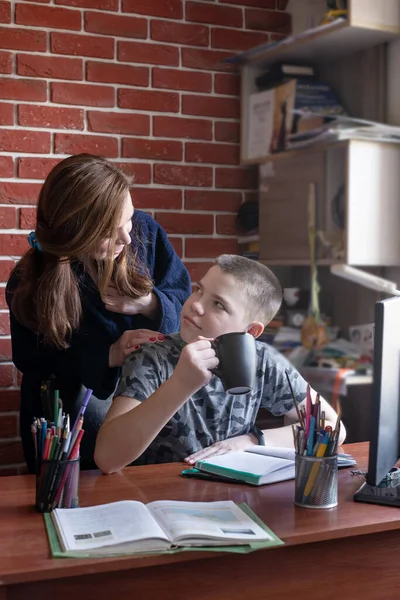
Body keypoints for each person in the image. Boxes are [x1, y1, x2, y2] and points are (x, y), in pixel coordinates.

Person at [6, 154, 191, 472]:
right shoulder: (29, 282)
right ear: (75, 232)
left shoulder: (144, 231)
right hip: (69, 420)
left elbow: (184, 298)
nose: (127, 238)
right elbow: (33, 361)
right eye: (109, 230)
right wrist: (107, 355)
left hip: (145, 400)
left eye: (129, 219)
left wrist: (149, 303)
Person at [95, 255, 345, 474]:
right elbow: (107, 458)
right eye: (199, 290)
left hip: (230, 497)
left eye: (218, 304)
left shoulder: (263, 362)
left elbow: (332, 427)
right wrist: (182, 383)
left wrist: (252, 440)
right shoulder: (152, 357)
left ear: (251, 331)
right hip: (159, 497)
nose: (195, 304)